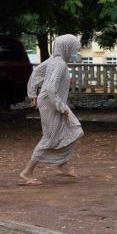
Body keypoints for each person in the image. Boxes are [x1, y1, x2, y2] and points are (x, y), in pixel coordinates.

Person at [19, 34, 84, 186]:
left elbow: (36, 72)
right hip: (51, 104)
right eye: (74, 48)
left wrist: (33, 93)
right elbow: (49, 88)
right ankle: (27, 172)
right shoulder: (59, 64)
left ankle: (61, 164)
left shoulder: (54, 60)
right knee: (50, 138)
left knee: (75, 131)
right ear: (66, 48)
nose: (75, 52)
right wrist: (61, 108)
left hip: (52, 102)